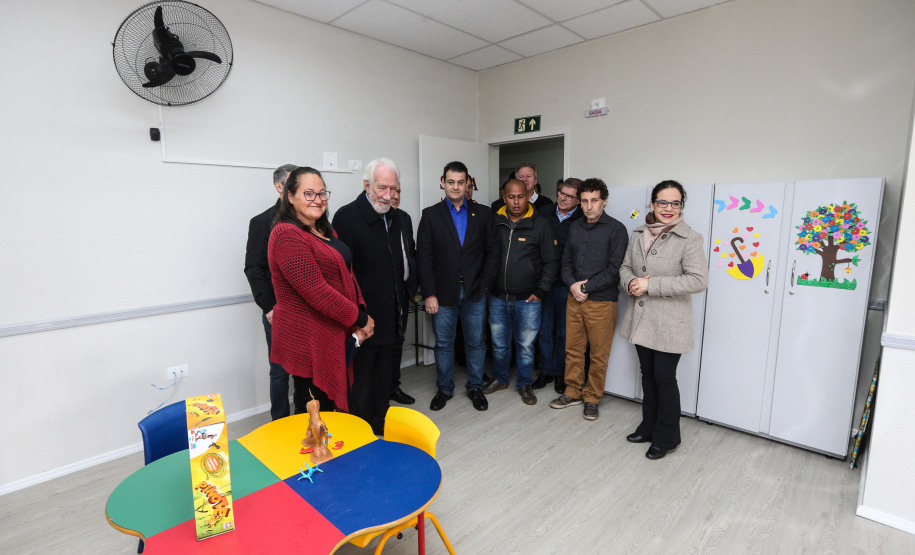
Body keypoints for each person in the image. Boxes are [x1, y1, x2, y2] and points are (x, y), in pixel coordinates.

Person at [268, 167, 374, 415]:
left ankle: (331, 450)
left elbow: (348, 274)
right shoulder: (286, 234)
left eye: (322, 193)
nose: (318, 199)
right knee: (314, 408)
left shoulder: (324, 229)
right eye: (309, 193)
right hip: (308, 338)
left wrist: (359, 308)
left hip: (334, 329)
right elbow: (318, 292)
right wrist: (361, 319)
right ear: (290, 196)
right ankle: (314, 453)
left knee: (329, 408)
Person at [619, 180, 708, 460]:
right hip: (641, 317)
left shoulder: (690, 238)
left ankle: (667, 436)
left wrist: (650, 285)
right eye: (662, 202)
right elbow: (624, 267)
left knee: (664, 379)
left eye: (675, 203)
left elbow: (698, 280)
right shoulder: (638, 233)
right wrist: (631, 282)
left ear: (682, 205)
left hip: (671, 322)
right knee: (648, 375)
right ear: (652, 204)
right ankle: (648, 426)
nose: (668, 208)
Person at [416, 161, 499, 412]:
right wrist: (429, 294)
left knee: (476, 343)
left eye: (460, 182)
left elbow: (493, 252)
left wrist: (485, 284)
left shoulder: (483, 214)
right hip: (442, 294)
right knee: (444, 344)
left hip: (475, 292)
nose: (455, 186)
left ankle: (475, 387)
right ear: (443, 182)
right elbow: (424, 258)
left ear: (468, 184)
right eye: (450, 182)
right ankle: (444, 388)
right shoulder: (430, 215)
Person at [332, 158, 407, 434]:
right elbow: (341, 276)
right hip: (360, 319)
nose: (388, 196)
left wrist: (401, 301)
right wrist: (358, 317)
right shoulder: (346, 217)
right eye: (381, 188)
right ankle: (358, 435)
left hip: (390, 314)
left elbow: (397, 265)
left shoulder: (396, 217)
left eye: (393, 188)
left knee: (383, 379)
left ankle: (379, 429)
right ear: (367, 185)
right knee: (360, 382)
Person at [549, 178, 628, 421]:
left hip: (602, 302)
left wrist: (585, 286)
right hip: (575, 298)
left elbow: (615, 269)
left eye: (594, 201)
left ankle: (592, 398)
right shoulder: (575, 227)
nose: (589, 206)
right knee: (573, 349)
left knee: (598, 354)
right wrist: (573, 284)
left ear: (604, 200)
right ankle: (572, 391)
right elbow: (565, 262)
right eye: (584, 201)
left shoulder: (616, 229)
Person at [483, 179, 558, 405]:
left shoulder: (541, 224)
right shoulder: (493, 220)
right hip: (496, 297)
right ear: (504, 198)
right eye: (511, 197)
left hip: (528, 299)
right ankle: (500, 378)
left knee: (525, 346)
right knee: (499, 343)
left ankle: (525, 383)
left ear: (528, 196)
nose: (516, 202)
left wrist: (541, 291)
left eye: (521, 196)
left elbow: (552, 262)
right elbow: (484, 254)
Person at [244, 163, 297, 421]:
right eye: (291, 183)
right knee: (279, 371)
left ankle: (306, 421)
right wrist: (269, 307)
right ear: (279, 187)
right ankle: (280, 423)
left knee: (306, 370)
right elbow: (253, 268)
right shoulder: (262, 222)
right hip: (278, 311)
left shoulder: (312, 220)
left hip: (308, 311)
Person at [533, 177, 583, 395]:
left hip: (567, 286)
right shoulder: (543, 212)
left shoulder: (582, 219)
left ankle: (561, 374)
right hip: (544, 283)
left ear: (579, 200)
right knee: (543, 331)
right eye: (561, 192)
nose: (563, 198)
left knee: (564, 334)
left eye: (570, 196)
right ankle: (545, 371)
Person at [388, 184, 417, 405]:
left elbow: (411, 253)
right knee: (380, 346)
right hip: (383, 295)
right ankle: (378, 391)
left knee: (398, 342)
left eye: (398, 192)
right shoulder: (376, 222)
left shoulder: (404, 218)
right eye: (391, 192)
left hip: (404, 293)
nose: (395, 197)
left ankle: (393, 387)